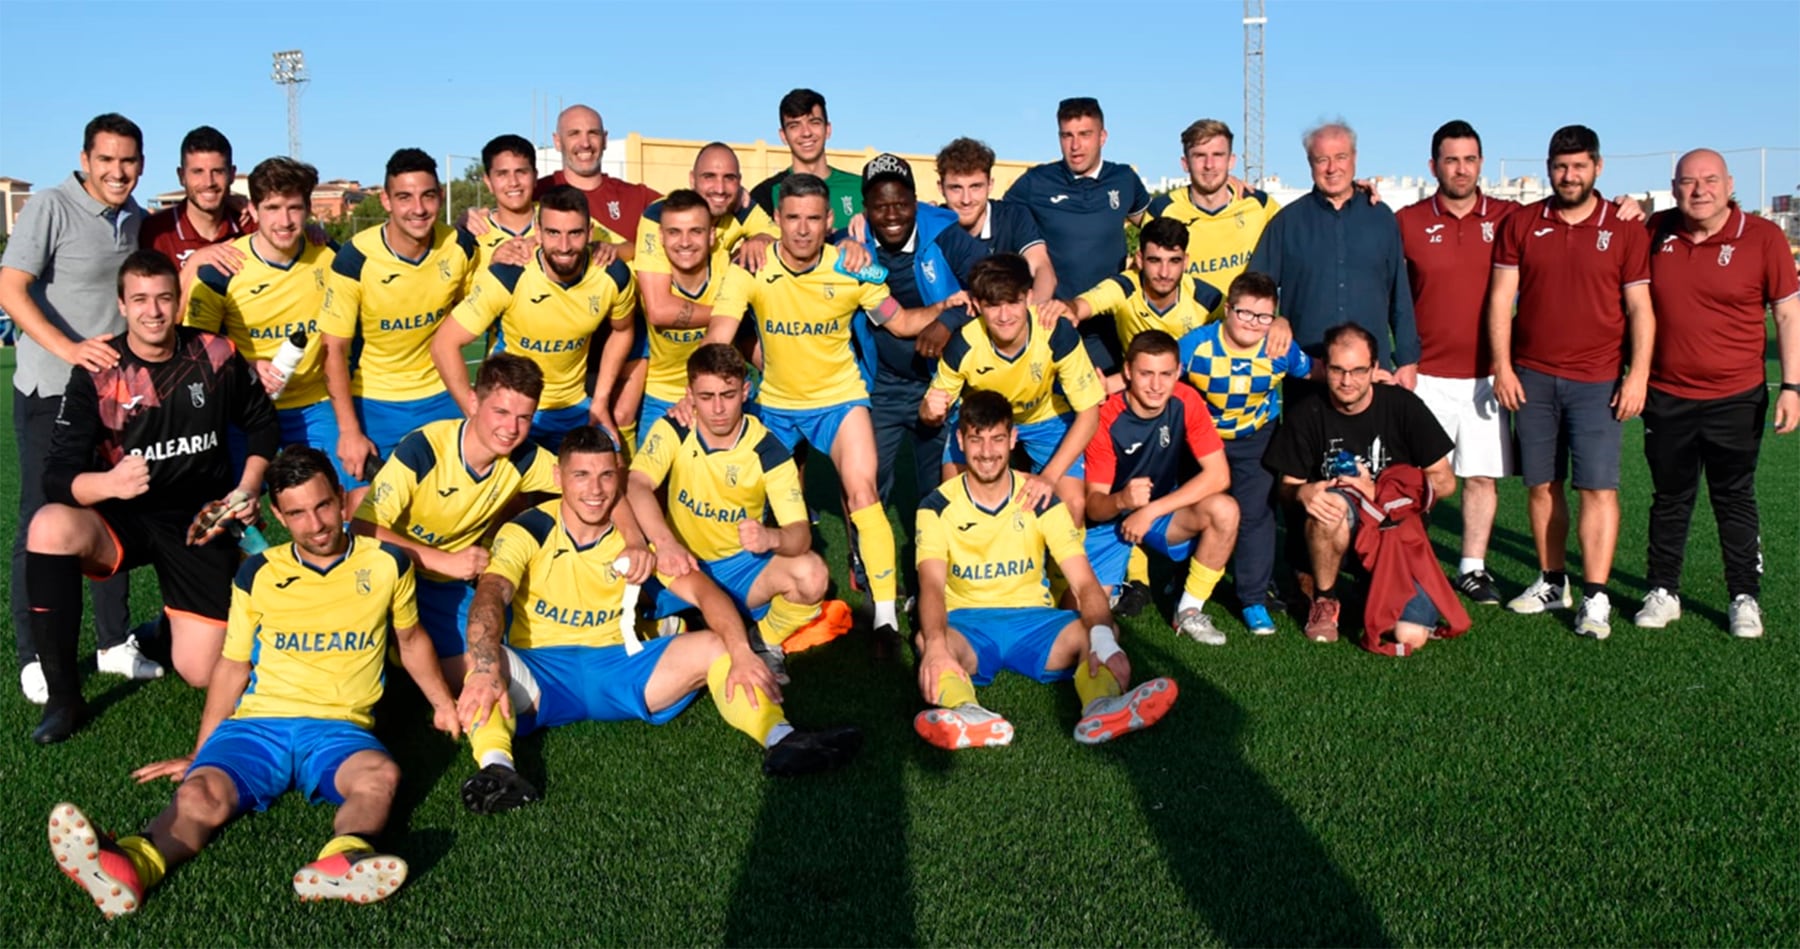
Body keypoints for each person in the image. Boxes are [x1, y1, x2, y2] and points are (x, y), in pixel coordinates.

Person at [47, 446, 459, 917]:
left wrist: (443, 704)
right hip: (258, 726)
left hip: (339, 728)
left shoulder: (387, 562)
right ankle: (133, 866)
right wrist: (201, 752)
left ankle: (343, 860)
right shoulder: (258, 572)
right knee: (200, 793)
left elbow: (410, 640)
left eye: (324, 506)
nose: (317, 523)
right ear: (279, 517)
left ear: (343, 500)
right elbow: (232, 666)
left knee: (379, 776)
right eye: (299, 513)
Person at [454, 425, 860, 812]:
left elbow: (704, 592)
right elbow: (491, 594)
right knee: (483, 661)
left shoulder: (641, 542)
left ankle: (782, 740)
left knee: (719, 647)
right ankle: (498, 770)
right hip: (543, 673)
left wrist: (743, 651)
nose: (594, 490)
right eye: (581, 475)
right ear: (558, 477)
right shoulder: (529, 528)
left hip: (625, 666)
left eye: (605, 476)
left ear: (619, 478)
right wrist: (486, 670)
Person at [25, 250, 278, 743]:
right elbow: (56, 477)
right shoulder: (98, 370)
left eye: (164, 297)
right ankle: (63, 697)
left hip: (200, 522)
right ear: (122, 305)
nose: (153, 310)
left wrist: (247, 488)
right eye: (140, 299)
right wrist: (109, 485)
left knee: (203, 672)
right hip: (125, 518)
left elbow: (262, 424)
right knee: (50, 525)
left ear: (179, 301)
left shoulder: (216, 354)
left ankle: (162, 631)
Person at [705, 173, 942, 657]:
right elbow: (718, 335)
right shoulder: (750, 267)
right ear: (777, 220)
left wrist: (949, 306)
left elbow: (899, 322)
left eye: (814, 218)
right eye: (792, 218)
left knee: (863, 493)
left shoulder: (856, 267)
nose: (803, 229)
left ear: (829, 221)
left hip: (838, 400)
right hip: (774, 404)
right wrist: (700, 393)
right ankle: (737, 601)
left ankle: (883, 620)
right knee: (757, 504)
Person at [911, 388, 1178, 750]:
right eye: (976, 440)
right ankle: (967, 712)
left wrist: (1102, 637)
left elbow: (1084, 582)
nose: (987, 452)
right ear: (960, 439)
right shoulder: (936, 505)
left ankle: (1101, 708)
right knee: (929, 640)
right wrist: (938, 646)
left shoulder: (1039, 499)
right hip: (968, 624)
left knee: (1100, 630)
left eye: (997, 439)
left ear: (1013, 439)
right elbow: (930, 585)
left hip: (1035, 621)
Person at [1, 113, 149, 702]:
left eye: (130, 161)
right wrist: (68, 350)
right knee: (42, 518)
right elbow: (10, 288)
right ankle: (34, 654)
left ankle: (115, 643)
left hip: (113, 395)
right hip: (51, 391)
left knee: (112, 507)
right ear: (86, 159)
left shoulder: (136, 218)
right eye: (107, 160)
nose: (118, 171)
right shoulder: (50, 207)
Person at [1488, 125, 1654, 640]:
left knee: (1598, 488)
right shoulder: (1522, 221)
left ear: (1598, 168)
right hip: (1533, 377)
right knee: (1542, 485)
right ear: (1548, 168)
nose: (1569, 175)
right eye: (1561, 166)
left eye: (1579, 166)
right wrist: (1503, 366)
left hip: (1598, 379)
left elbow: (1640, 308)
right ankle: (1551, 580)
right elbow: (1500, 299)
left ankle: (1596, 595)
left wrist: (1638, 375)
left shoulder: (1624, 227)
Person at [1634, 149, 1800, 638]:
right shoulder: (1653, 232)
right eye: (1688, 181)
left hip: (1737, 395)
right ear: (1673, 186)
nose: (1699, 190)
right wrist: (1623, 204)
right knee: (1670, 497)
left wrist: (1792, 385)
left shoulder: (1763, 237)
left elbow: (1788, 315)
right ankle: (1663, 590)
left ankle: (1743, 596)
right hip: (1667, 394)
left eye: (1710, 180)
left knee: (1734, 496)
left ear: (1729, 184)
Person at [627, 344, 853, 684]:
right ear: (689, 395)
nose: (717, 408)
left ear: (745, 391)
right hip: (679, 562)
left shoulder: (769, 449)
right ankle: (672, 620)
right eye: (706, 396)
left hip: (739, 567)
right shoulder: (675, 427)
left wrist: (771, 537)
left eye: (728, 395)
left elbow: (800, 535)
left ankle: (764, 641)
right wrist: (665, 542)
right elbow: (636, 485)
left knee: (813, 574)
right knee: (609, 570)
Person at [352, 353, 561, 679]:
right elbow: (363, 529)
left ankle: (405, 652)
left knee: (489, 653)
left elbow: (589, 481)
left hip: (447, 583)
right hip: (392, 574)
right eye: (501, 412)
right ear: (474, 402)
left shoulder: (525, 459)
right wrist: (444, 561)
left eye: (524, 417)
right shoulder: (424, 448)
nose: (511, 428)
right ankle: (398, 646)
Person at [1264, 324, 1455, 646]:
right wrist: (1302, 492)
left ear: (1375, 368)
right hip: (1335, 527)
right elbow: (1286, 488)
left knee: (1411, 636)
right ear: (1324, 367)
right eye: (1338, 370)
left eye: (1358, 371)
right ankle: (1325, 599)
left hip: (1394, 536)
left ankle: (1370, 586)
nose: (1347, 381)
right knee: (1332, 503)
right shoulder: (1307, 413)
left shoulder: (1402, 406)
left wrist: (1381, 492)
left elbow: (1445, 482)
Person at [1394, 121, 1521, 606]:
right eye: (1451, 160)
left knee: (1481, 476)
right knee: (1423, 478)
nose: (1461, 169)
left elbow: (1569, 216)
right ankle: (1415, 564)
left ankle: (1472, 567)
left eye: (1469, 160)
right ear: (1433, 166)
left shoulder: (1511, 217)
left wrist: (1628, 207)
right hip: (1425, 373)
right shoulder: (1406, 221)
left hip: (1489, 375)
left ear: (1481, 164)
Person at [319, 148, 477, 500]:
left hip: (441, 396)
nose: (418, 209)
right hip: (374, 401)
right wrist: (348, 430)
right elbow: (333, 350)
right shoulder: (355, 258)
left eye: (428, 196)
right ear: (386, 201)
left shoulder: (461, 246)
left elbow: (481, 312)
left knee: (459, 501)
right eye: (404, 197)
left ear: (441, 198)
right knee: (363, 514)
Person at [432, 185, 637, 451]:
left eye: (574, 233)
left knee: (610, 477)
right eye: (553, 233)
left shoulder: (613, 276)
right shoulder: (509, 275)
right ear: (538, 233)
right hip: (515, 411)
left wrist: (600, 401)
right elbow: (443, 345)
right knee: (511, 489)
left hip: (575, 407)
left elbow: (623, 331)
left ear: (589, 233)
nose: (564, 246)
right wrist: (474, 411)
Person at [185, 156, 347, 482]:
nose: (285, 220)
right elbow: (196, 350)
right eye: (272, 208)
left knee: (343, 492)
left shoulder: (330, 255)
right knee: (234, 506)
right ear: (254, 211)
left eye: (294, 208)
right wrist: (247, 366)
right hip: (245, 408)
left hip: (314, 405)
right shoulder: (223, 269)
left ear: (308, 209)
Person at [1178, 271, 1315, 635]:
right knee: (1199, 510)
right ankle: (1184, 581)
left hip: (1257, 438)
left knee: (1256, 515)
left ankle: (1253, 597)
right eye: (1244, 313)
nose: (1253, 324)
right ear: (1227, 309)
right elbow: (1156, 374)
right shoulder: (1196, 345)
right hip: (1203, 442)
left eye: (1264, 316)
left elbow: (1314, 372)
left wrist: (1367, 377)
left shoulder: (1279, 347)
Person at [1083, 331, 1239, 644]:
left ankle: (1189, 612)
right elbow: (1094, 506)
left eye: (1166, 374)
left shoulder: (1185, 400)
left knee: (1225, 510)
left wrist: (1151, 510)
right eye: (1146, 374)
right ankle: (1115, 582)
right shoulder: (1105, 416)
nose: (1156, 385)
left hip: (1159, 512)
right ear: (1127, 372)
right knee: (1084, 621)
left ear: (1178, 372)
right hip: (1109, 519)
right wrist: (1122, 501)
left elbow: (1219, 475)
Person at [922, 254, 1102, 524]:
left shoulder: (1055, 332)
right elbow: (930, 412)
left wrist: (1048, 478)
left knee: (1072, 507)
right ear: (978, 305)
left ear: (1029, 298)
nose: (1005, 316)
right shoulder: (963, 345)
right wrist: (929, 410)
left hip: (1044, 416)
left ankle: (1050, 567)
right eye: (993, 306)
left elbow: (1089, 414)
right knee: (956, 507)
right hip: (983, 422)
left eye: (1013, 303)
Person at [855, 153, 985, 511]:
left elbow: (990, 284)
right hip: (882, 384)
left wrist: (948, 322)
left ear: (916, 201)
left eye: (901, 203)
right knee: (867, 482)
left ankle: (930, 564)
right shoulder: (852, 245)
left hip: (940, 381)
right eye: (881, 206)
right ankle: (864, 567)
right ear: (866, 209)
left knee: (937, 487)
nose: (892, 215)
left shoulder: (945, 234)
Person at [1248, 120, 1419, 385]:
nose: (1332, 168)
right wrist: (1275, 320)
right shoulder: (1287, 222)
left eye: (1341, 157)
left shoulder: (1381, 218)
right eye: (1322, 159)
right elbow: (1253, 292)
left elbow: (1400, 294)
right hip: (1308, 375)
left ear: (1354, 158)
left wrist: (1407, 359)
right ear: (1309, 163)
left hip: (1372, 375)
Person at [1001, 97, 1150, 373]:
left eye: (1085, 134)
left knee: (1105, 400)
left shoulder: (1124, 178)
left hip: (1108, 323)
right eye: (1067, 135)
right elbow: (997, 221)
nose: (1075, 145)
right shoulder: (1036, 182)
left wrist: (1224, 186)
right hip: (1055, 318)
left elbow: (1156, 227)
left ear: (1102, 137)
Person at [630, 189, 754, 437]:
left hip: (722, 394)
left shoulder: (732, 270)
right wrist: (725, 313)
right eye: (674, 232)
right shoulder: (639, 277)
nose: (685, 242)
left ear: (711, 236)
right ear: (661, 237)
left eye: (695, 232)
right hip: (661, 393)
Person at [1068, 217, 1224, 385]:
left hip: (1190, 389)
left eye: (1174, 261)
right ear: (1140, 260)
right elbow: (1081, 305)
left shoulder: (1207, 299)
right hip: (1137, 387)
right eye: (1155, 260)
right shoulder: (1125, 288)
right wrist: (1067, 309)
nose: (1164, 273)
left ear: (1185, 262)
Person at [1143, 119, 1280, 296]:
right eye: (1200, 156)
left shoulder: (1260, 205)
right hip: (1184, 323)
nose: (1209, 165)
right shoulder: (1161, 211)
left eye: (1218, 155)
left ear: (1231, 161)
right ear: (1185, 164)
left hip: (1244, 321)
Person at [462, 134, 624, 274]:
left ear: (535, 177)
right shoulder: (472, 232)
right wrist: (493, 267)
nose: (513, 182)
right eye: (502, 174)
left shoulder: (559, 215)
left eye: (521, 172)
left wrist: (610, 249)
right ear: (488, 182)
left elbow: (631, 248)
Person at [933, 137, 1057, 303]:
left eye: (975, 186)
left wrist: (1033, 312)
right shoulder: (932, 225)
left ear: (990, 185)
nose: (966, 199)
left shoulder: (1013, 216)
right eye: (956, 188)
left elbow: (1041, 267)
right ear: (940, 187)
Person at [139, 127, 249, 291]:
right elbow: (155, 309)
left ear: (232, 174)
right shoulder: (156, 232)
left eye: (217, 171)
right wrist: (194, 264)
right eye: (198, 172)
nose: (208, 182)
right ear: (181, 176)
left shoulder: (251, 225)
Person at [535, 104, 661, 245]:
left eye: (593, 133)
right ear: (557, 141)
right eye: (574, 134)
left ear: (605, 140)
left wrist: (627, 249)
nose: (585, 143)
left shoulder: (639, 198)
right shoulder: (537, 194)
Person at [749, 89, 863, 227]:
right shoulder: (765, 194)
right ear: (783, 136)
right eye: (794, 126)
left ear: (828, 129)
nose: (806, 133)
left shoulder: (861, 188)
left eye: (814, 122)